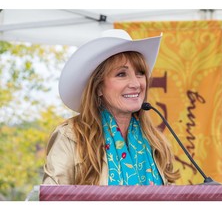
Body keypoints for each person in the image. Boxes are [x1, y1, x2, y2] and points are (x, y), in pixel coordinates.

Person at [42, 29, 180, 186]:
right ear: (99, 87)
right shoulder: (70, 136)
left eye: (140, 73)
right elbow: (52, 198)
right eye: (121, 74)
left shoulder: (156, 141)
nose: (136, 84)